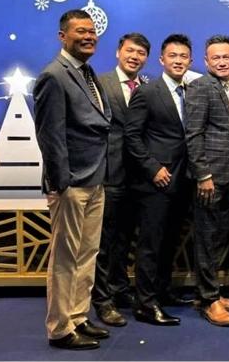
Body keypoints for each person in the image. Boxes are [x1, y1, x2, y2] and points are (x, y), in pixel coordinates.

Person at [34, 9, 112, 350]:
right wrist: (61, 184)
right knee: (65, 257)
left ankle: (78, 316)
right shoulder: (54, 75)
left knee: (87, 253)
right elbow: (50, 136)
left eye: (92, 31)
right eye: (81, 31)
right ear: (62, 36)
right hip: (70, 184)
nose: (89, 36)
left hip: (95, 178)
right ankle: (60, 328)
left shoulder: (87, 71)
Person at [124, 34, 193, 326]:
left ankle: (163, 292)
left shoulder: (191, 91)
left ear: (190, 61)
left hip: (183, 180)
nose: (178, 61)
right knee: (151, 244)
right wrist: (152, 168)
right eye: (172, 56)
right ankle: (145, 304)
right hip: (155, 183)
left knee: (169, 241)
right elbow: (132, 136)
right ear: (162, 60)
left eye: (183, 56)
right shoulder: (147, 91)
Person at [186, 35, 229, 326]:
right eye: (216, 58)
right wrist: (203, 175)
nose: (222, 62)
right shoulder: (200, 87)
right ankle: (210, 301)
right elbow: (193, 134)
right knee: (207, 239)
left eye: (226, 57)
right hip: (209, 179)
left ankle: (208, 293)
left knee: (219, 236)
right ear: (206, 61)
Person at [92, 33, 150, 327]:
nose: (134, 57)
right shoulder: (100, 83)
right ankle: (102, 300)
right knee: (104, 241)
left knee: (126, 239)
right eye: (130, 51)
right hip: (109, 173)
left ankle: (119, 288)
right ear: (118, 52)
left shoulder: (148, 87)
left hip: (139, 177)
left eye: (141, 53)